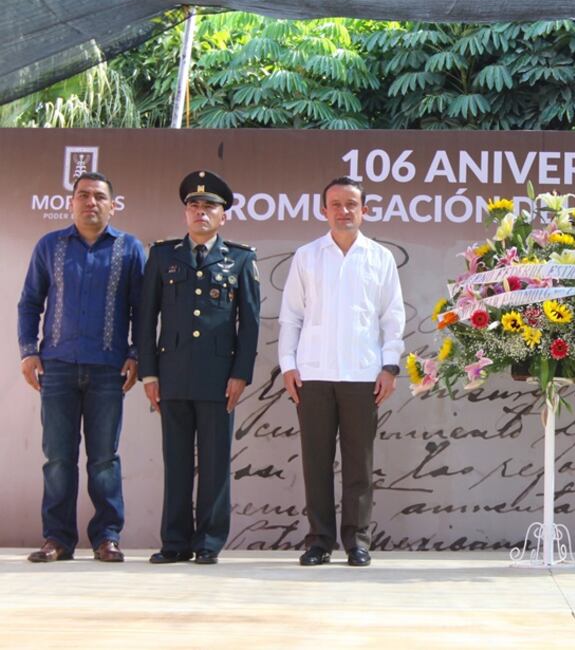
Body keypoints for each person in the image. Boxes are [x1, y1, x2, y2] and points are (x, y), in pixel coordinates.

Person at [17, 171, 145, 563]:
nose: (91, 202)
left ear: (112, 204)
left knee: (104, 459)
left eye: (99, 196)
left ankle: (106, 537)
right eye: (83, 195)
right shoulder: (50, 246)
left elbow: (143, 309)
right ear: (71, 202)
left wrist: (137, 354)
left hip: (108, 369)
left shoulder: (129, 249)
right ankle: (57, 539)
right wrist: (28, 350)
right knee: (58, 457)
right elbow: (29, 302)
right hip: (56, 367)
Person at [279, 176, 405, 567]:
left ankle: (357, 541)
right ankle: (319, 541)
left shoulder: (380, 258)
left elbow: (392, 317)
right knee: (315, 462)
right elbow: (291, 316)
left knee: (359, 463)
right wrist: (288, 365)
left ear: (364, 210)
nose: (343, 211)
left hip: (363, 375)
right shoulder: (307, 256)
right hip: (313, 375)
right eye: (335, 204)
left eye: (351, 204)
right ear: (324, 210)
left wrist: (389, 366)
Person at [137, 170, 260, 565]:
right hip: (171, 374)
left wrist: (241, 373)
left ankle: (208, 543)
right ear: (185, 213)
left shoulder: (240, 258)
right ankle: (174, 542)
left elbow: (251, 322)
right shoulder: (162, 255)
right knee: (176, 463)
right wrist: (149, 372)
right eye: (194, 206)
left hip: (219, 377)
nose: (200, 212)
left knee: (214, 465)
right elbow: (145, 317)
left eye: (210, 207)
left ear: (223, 216)